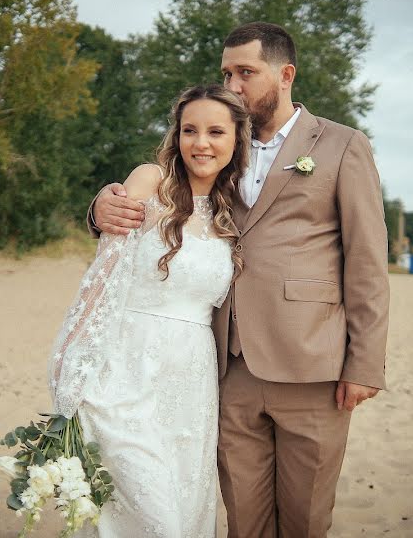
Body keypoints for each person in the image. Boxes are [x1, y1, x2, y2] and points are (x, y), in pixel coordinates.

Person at [90, 22, 389, 537]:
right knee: (241, 520)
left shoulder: (341, 145)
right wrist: (99, 209)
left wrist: (364, 363)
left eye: (245, 73)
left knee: (304, 519)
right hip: (227, 365)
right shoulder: (221, 143)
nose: (232, 85)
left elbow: (367, 260)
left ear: (285, 74)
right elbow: (162, 197)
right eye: (226, 72)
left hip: (312, 364)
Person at [50, 85, 251, 536]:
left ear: (237, 141)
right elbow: (100, 283)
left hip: (193, 385)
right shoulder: (148, 182)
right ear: (176, 136)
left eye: (216, 132)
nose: (201, 143)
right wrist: (69, 370)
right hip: (124, 370)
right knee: (147, 512)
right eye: (189, 130)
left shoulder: (233, 210)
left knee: (180, 511)